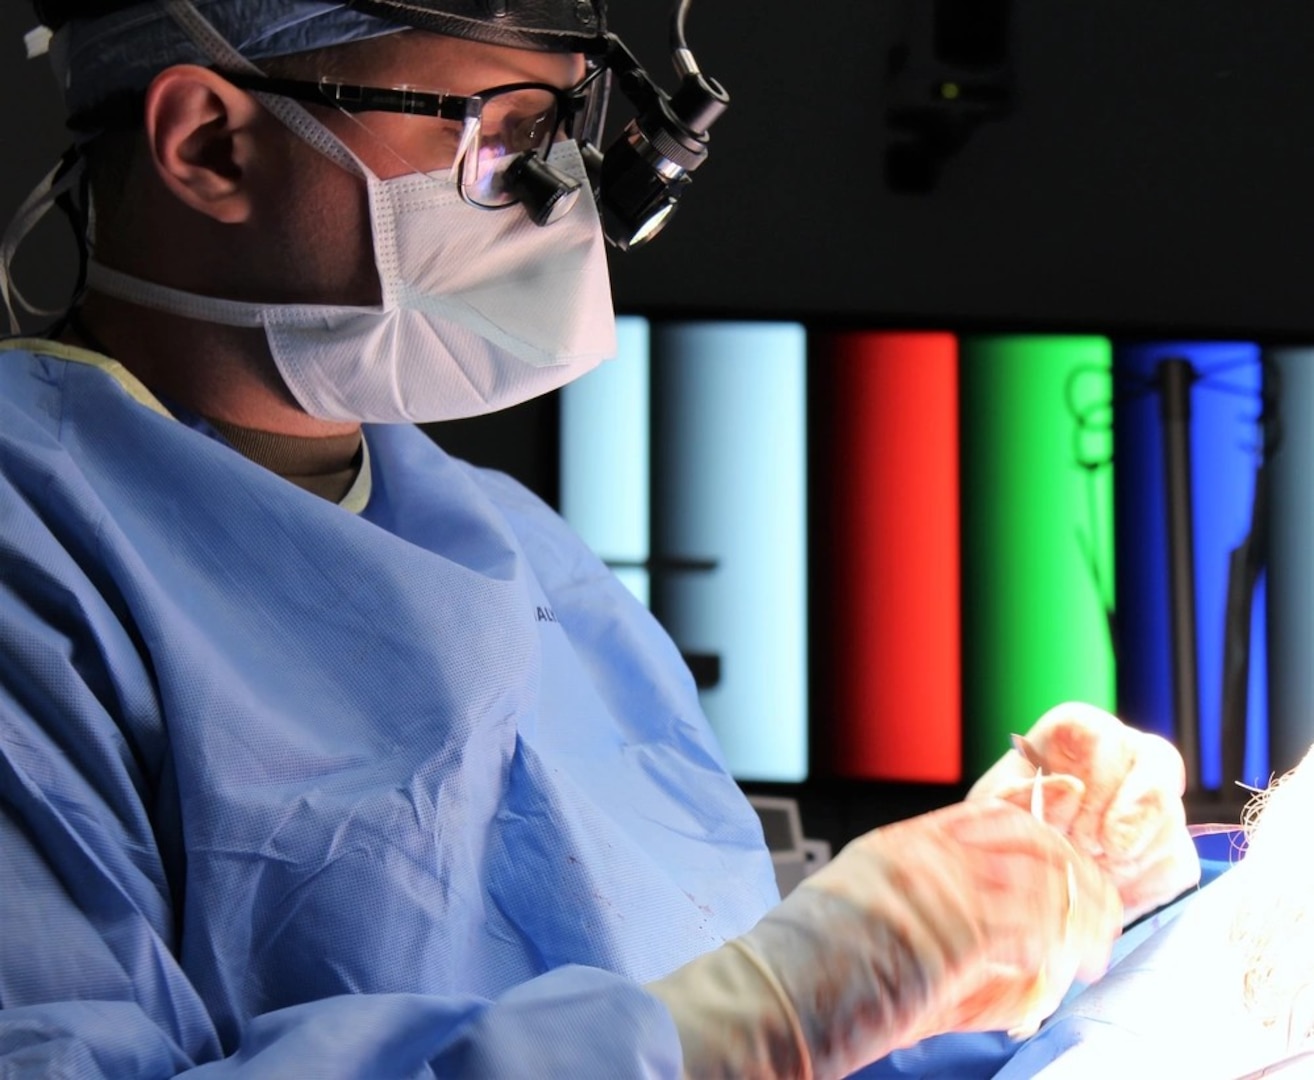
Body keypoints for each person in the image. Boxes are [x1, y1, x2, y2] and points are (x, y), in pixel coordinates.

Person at [0, 0, 1200, 1075]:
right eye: (503, 140)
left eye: (570, 133)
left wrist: (990, 921)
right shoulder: (36, 568)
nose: (561, 205)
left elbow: (683, 971)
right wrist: (754, 1016)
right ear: (211, 143)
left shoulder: (513, 556)